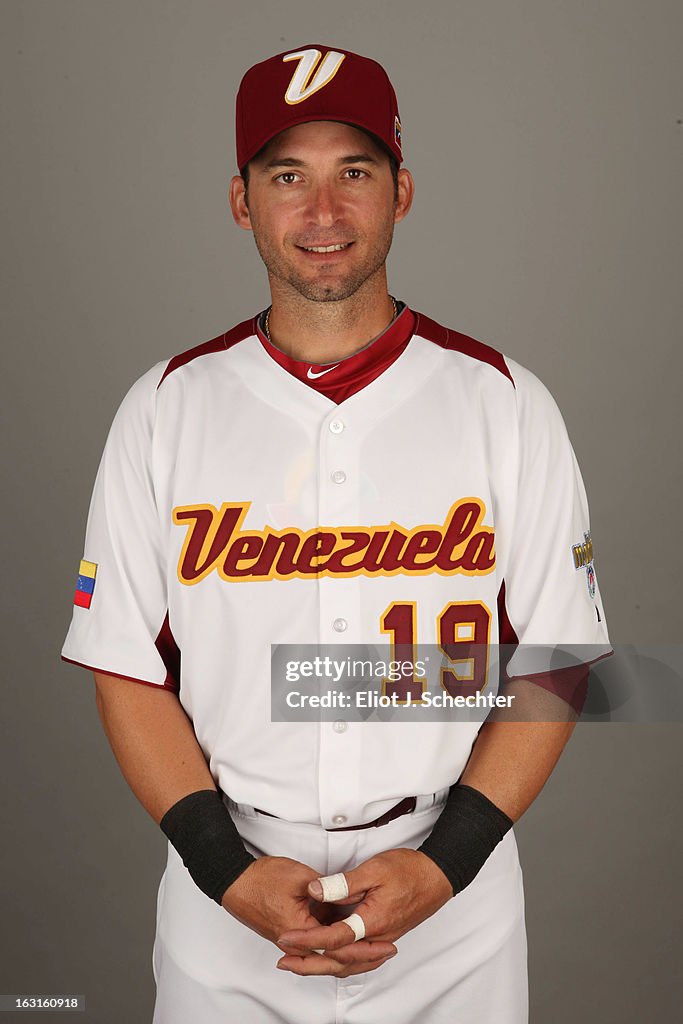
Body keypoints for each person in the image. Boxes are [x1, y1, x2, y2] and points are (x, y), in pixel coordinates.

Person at [62, 43, 611, 1023]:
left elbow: (557, 657)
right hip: (225, 896)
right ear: (241, 201)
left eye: (352, 172)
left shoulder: (504, 404)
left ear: (401, 189)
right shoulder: (164, 410)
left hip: (454, 899)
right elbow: (124, 665)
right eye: (288, 176)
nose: (322, 212)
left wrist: (446, 866)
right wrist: (223, 871)